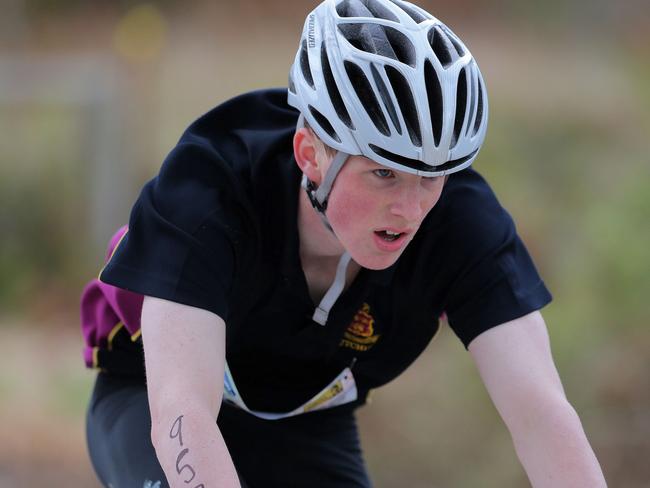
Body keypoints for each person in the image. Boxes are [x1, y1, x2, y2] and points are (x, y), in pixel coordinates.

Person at [81, 0, 607, 486]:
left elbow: (542, 415)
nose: (410, 208)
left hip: (307, 420)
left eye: (431, 178)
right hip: (152, 398)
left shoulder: (460, 219)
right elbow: (182, 413)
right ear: (311, 153)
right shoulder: (211, 189)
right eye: (383, 174)